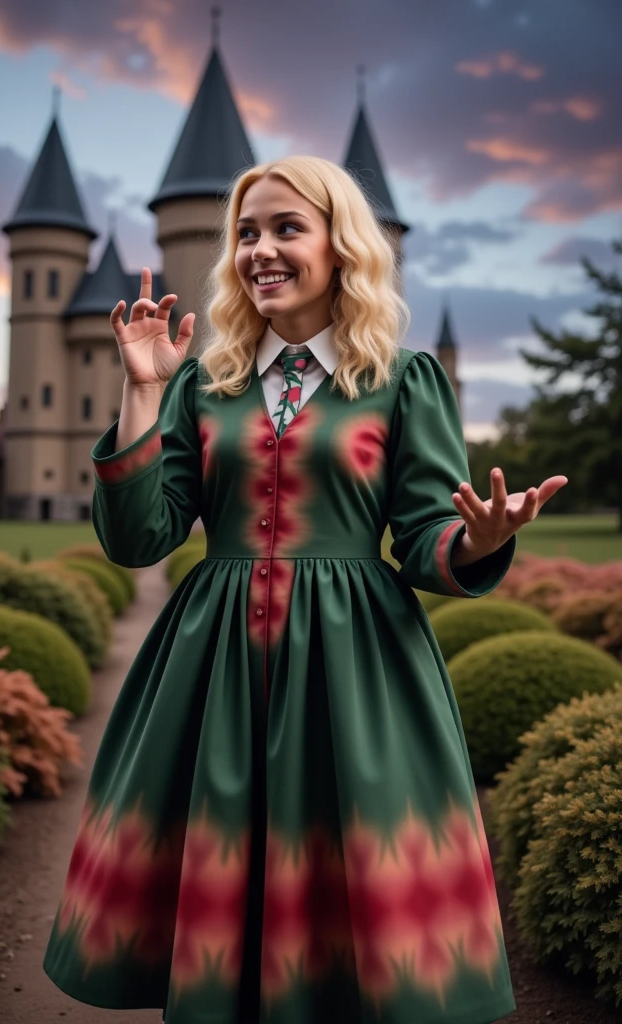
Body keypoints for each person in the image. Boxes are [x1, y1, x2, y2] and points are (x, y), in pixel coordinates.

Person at [43, 154, 567, 1024]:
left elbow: (425, 539)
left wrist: (475, 541)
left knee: (351, 887)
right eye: (247, 233)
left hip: (358, 669)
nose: (260, 249)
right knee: (221, 874)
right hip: (213, 670)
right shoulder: (203, 387)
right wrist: (142, 390)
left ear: (340, 247)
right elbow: (140, 537)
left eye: (287, 228)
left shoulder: (405, 379)